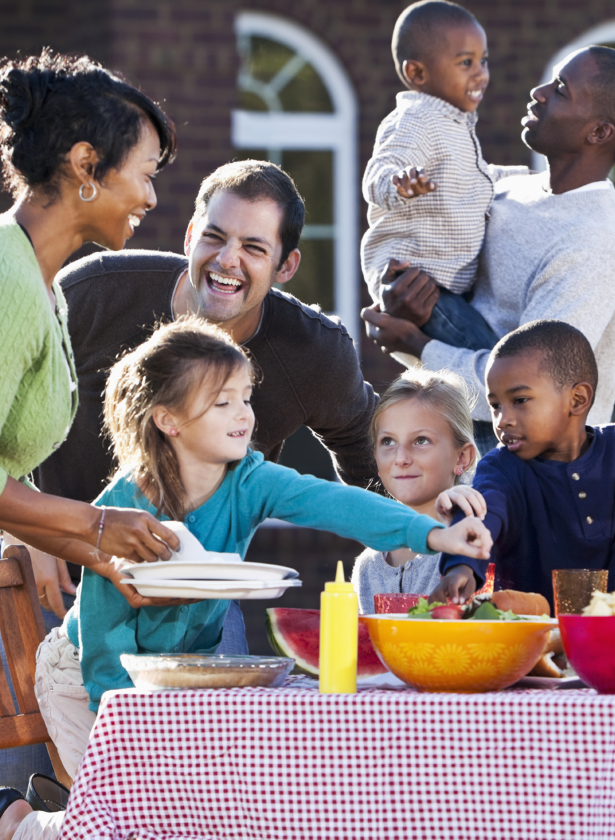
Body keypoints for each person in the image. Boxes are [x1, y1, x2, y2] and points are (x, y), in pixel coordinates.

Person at [0, 317, 492, 840]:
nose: (244, 415)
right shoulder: (129, 502)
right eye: (222, 402)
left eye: (246, 397)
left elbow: (333, 502)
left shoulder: (250, 480)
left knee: (175, 821)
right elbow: (104, 626)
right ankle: (20, 822)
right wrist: (120, 717)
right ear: (169, 420)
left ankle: (49, 812)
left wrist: (432, 536)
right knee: (120, 823)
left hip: (176, 676)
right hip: (88, 676)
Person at [0, 49, 183, 840]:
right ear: (86, 165)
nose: (153, 197)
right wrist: (89, 526)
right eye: (144, 173)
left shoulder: (38, 278)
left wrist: (92, 550)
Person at [31, 158, 381, 651]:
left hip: (199, 599)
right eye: (215, 237)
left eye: (254, 248)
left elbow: (377, 463)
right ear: (191, 234)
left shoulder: (314, 353)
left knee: (220, 729)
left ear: (286, 266)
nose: (227, 260)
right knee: (32, 723)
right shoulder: (95, 291)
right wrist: (25, 533)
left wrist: (432, 546)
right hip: (57, 582)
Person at [362, 45, 615, 452]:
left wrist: (414, 344)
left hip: (536, 472)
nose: (538, 92)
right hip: (460, 435)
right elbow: (452, 306)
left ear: (599, 132)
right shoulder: (505, 188)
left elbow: (536, 385)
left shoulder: (594, 239)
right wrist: (401, 302)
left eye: (560, 90)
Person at [430, 320, 615, 605]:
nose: (502, 419)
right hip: (531, 636)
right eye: (495, 405)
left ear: (577, 400)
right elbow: (483, 512)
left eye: (520, 400)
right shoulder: (502, 467)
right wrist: (461, 566)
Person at [361, 0, 527, 356]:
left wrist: (525, 179)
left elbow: (472, 178)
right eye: (465, 63)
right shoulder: (417, 119)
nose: (480, 73)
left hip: (447, 281)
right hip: (417, 283)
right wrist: (399, 183)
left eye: (483, 61)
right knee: (492, 360)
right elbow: (378, 173)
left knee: (487, 357)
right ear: (418, 74)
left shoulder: (456, 124)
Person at [352, 368, 486, 613]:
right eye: (388, 442)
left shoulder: (478, 541)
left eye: (421, 440)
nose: (401, 458)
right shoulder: (367, 566)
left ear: (462, 457)